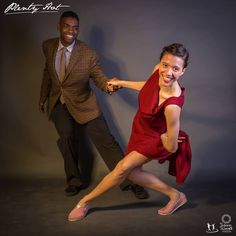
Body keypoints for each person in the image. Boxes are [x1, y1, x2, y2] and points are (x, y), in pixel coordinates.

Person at [68, 43, 192, 221]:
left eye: (175, 68)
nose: (168, 72)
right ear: (160, 62)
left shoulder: (172, 106)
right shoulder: (159, 71)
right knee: (132, 173)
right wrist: (121, 83)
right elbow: (148, 86)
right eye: (165, 65)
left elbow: (172, 147)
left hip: (155, 138)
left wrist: (165, 137)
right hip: (140, 129)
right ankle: (176, 196)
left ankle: (84, 202)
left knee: (122, 169)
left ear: (182, 72)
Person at [39, 11, 148, 199]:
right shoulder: (48, 46)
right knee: (66, 138)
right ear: (59, 26)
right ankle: (74, 181)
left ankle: (132, 181)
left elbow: (99, 78)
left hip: (84, 103)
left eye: (75, 28)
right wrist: (43, 97)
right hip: (59, 102)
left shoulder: (88, 53)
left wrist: (110, 86)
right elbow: (48, 72)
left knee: (106, 141)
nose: (71, 31)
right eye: (67, 26)